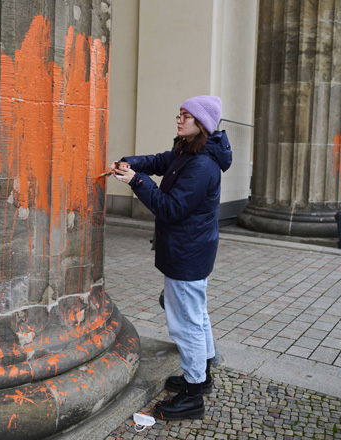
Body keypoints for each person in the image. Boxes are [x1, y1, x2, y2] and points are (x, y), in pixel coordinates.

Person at [110, 95, 232, 421]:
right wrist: (130, 162)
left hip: (187, 253)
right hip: (192, 249)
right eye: (179, 114)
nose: (179, 120)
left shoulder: (203, 165)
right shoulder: (188, 150)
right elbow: (160, 160)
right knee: (196, 313)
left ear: (202, 124)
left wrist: (135, 180)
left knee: (186, 323)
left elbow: (171, 208)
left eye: (186, 116)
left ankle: (193, 394)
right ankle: (201, 374)